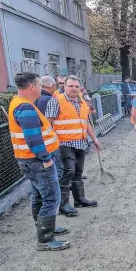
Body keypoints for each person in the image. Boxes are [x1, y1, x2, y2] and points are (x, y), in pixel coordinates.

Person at [8, 72, 70, 251]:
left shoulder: (19, 103)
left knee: (39, 195)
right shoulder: (25, 107)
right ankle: (45, 239)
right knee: (51, 197)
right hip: (37, 161)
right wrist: (46, 159)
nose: (42, 89)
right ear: (32, 87)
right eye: (39, 85)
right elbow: (33, 139)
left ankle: (45, 228)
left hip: (29, 160)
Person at [46, 75, 101, 216]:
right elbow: (47, 123)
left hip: (80, 142)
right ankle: (63, 204)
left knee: (78, 172)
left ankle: (80, 199)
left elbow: (86, 123)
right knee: (68, 172)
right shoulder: (56, 101)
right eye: (70, 86)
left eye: (76, 86)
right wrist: (50, 142)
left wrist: (94, 139)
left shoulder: (82, 102)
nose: (74, 89)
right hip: (64, 143)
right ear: (64, 86)